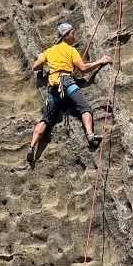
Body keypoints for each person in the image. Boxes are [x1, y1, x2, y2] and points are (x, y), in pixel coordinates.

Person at [26, 23, 112, 163]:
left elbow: (35, 66)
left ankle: (31, 147)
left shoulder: (50, 51)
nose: (74, 36)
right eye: (72, 34)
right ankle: (90, 135)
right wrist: (100, 61)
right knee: (84, 107)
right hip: (67, 82)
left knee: (46, 118)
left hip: (53, 87)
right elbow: (83, 68)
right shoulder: (71, 50)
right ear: (65, 35)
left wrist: (41, 56)